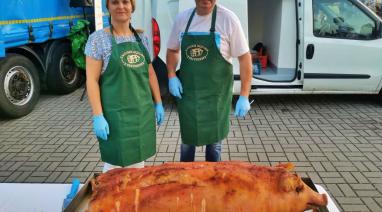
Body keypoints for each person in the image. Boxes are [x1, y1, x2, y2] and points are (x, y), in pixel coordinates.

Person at [166, 0, 252, 162]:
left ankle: (213, 181)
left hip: (216, 99)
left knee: (214, 145)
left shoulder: (228, 19)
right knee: (187, 143)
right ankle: (184, 180)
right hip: (189, 96)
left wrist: (244, 95)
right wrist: (171, 75)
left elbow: (244, 58)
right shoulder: (182, 19)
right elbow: (172, 50)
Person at [85, 0, 164, 172]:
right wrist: (98, 115)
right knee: (115, 167)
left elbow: (150, 73)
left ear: (132, 7)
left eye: (125, 2)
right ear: (108, 7)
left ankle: (133, 197)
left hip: (142, 113)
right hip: (116, 117)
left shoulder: (141, 38)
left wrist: (158, 102)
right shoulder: (98, 40)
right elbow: (91, 80)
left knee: (138, 163)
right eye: (115, 2)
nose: (121, 6)